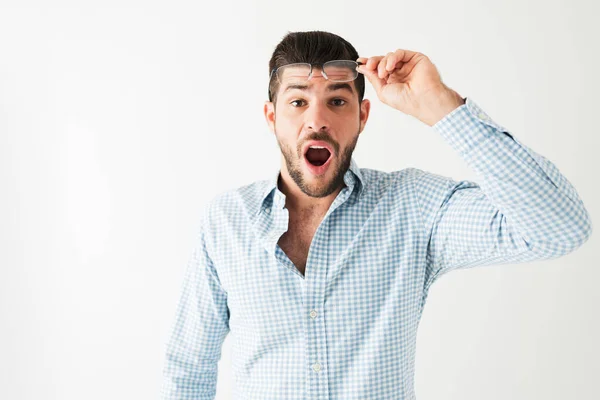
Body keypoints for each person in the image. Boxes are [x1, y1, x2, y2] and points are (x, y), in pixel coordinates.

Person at [160, 30, 592, 400]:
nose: (317, 120)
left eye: (337, 101)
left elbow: (559, 228)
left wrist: (441, 106)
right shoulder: (226, 221)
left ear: (363, 116)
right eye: (297, 102)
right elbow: (189, 370)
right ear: (272, 117)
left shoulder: (412, 207)